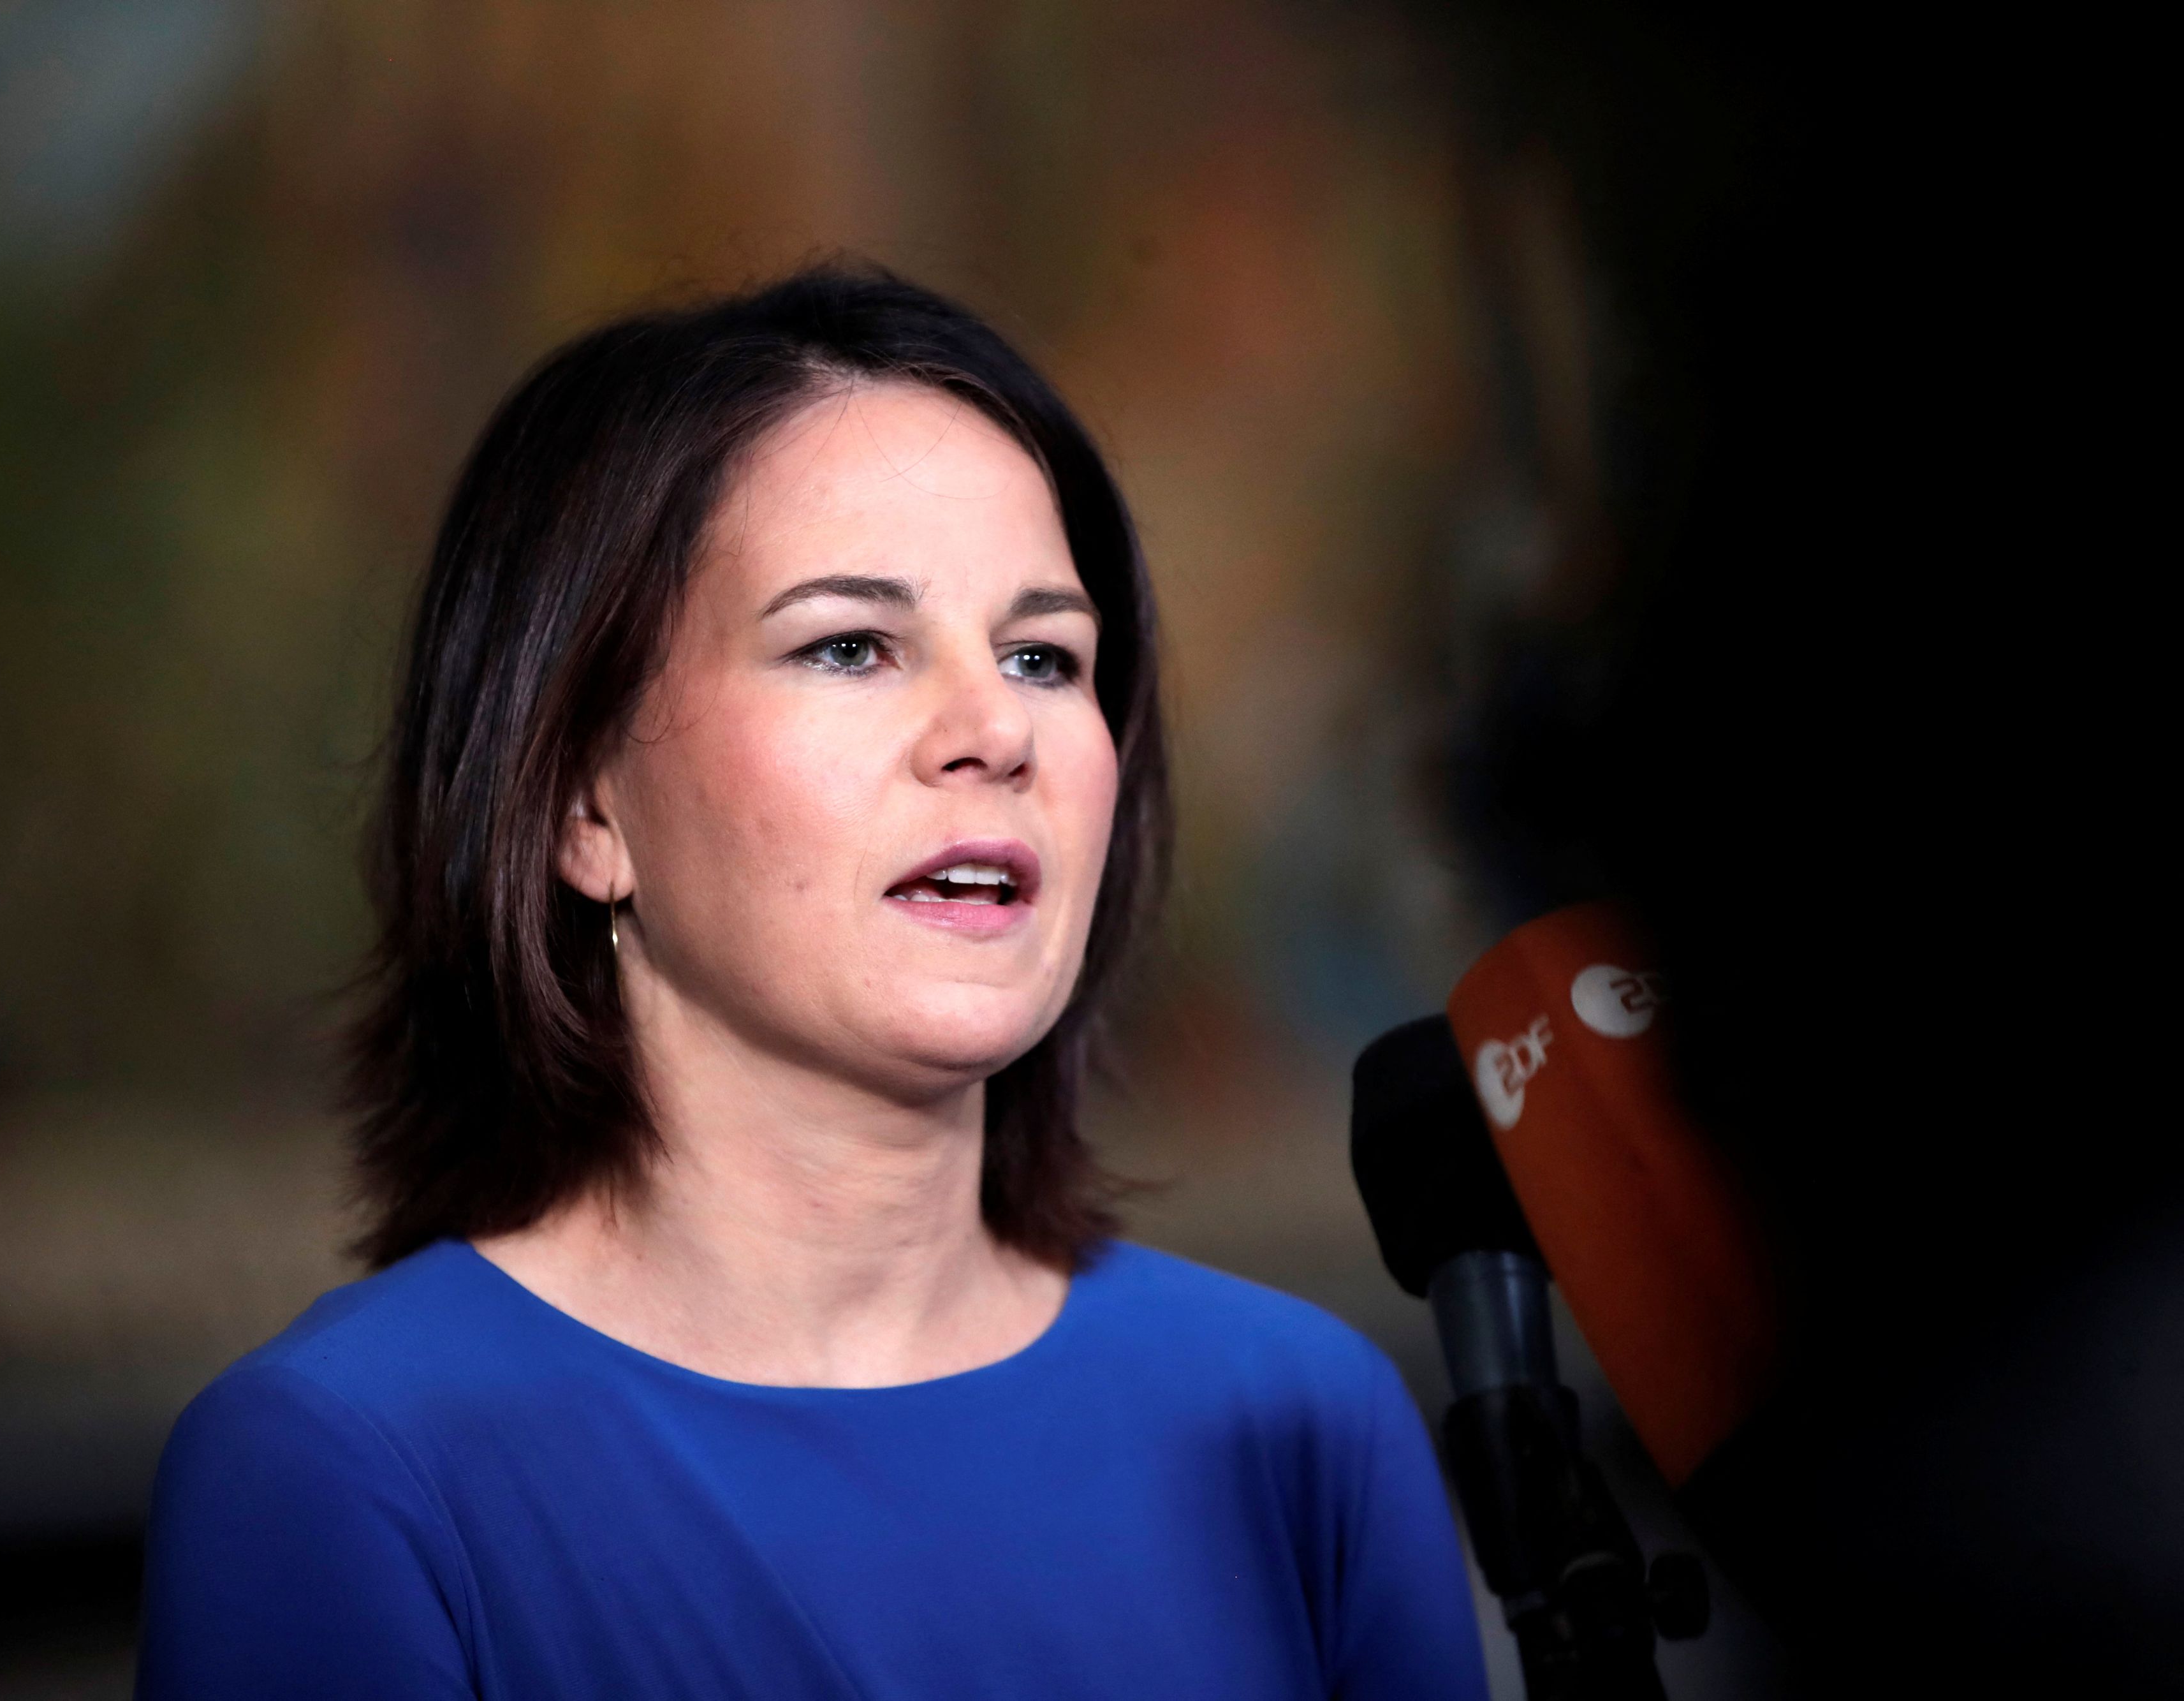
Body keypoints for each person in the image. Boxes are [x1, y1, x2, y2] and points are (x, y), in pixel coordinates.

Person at [135, 267, 1486, 1701]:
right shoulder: (347, 1464)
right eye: (849, 644)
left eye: (1043, 655)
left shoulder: (1297, 1422)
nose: (992, 729)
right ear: (578, 806)